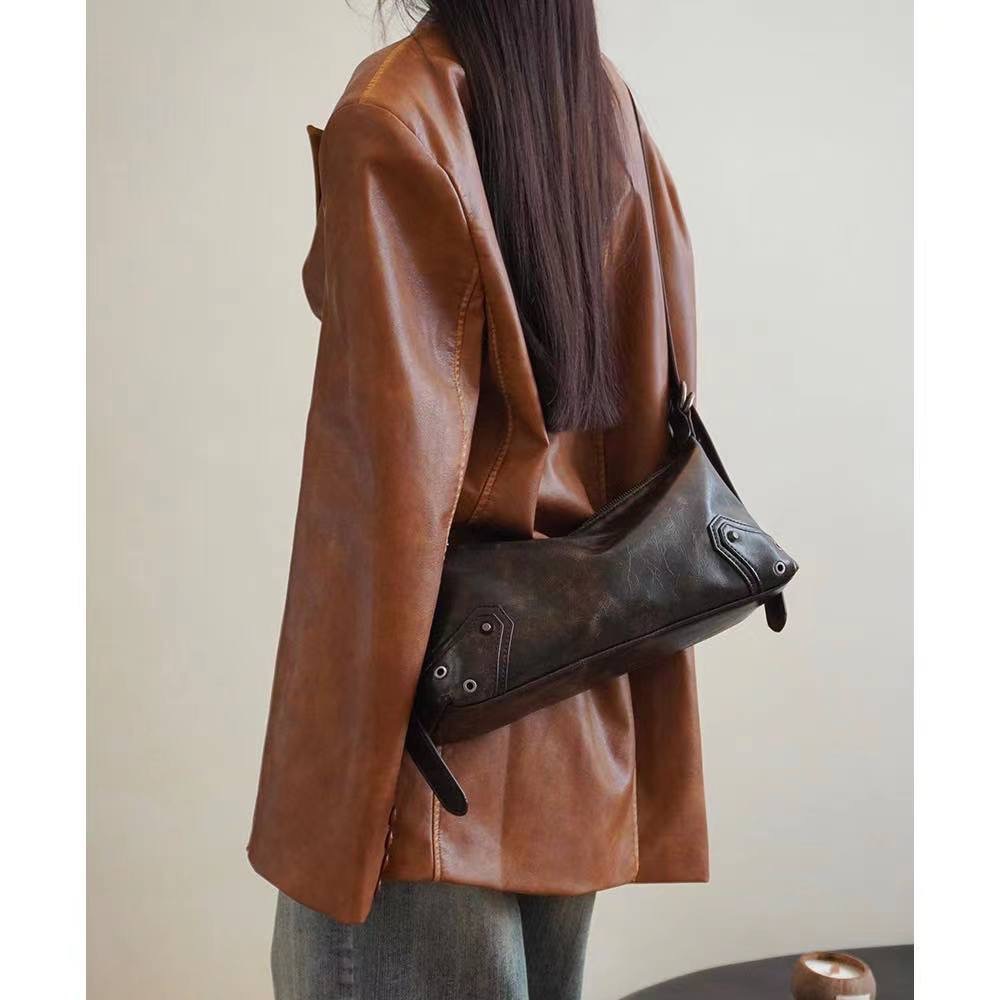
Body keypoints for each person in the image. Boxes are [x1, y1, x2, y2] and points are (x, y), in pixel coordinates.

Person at [250, 3, 708, 997]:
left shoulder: (397, 110)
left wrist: (332, 805)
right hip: (574, 708)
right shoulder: (598, 104)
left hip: (426, 746)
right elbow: (661, 393)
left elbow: (385, 494)